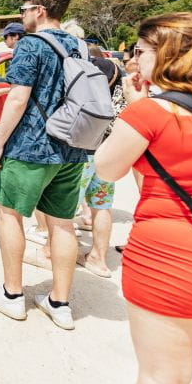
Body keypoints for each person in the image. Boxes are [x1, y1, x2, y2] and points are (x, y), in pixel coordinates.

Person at [94, 12, 192, 384]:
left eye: (141, 51)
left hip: (168, 258)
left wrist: (137, 105)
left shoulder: (151, 112)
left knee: (163, 379)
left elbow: (107, 169)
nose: (136, 60)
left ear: (166, 55)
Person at [0, 0, 88, 330]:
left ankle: (12, 295)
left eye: (23, 9)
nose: (20, 15)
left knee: (9, 214)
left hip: (32, 147)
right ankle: (60, 302)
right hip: (71, 146)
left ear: (39, 9)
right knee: (62, 223)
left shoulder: (31, 45)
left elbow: (17, 99)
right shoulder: (78, 44)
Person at [74, 43, 123, 278]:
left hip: (84, 151)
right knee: (102, 206)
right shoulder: (118, 83)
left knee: (64, 206)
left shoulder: (86, 82)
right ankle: (99, 259)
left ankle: (52, 252)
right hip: (108, 151)